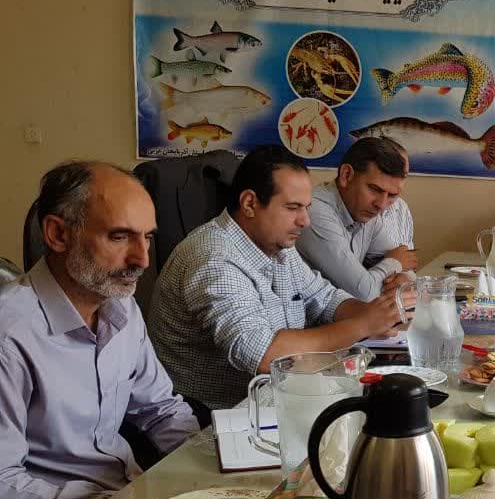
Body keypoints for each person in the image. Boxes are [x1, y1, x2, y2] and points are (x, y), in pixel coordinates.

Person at [0, 161, 198, 499]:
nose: (142, 259)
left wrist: (207, 468)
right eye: (120, 237)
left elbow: (160, 410)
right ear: (58, 234)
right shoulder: (10, 334)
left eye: (147, 237)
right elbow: (4, 487)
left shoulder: (121, 305)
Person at [148, 145, 406, 410]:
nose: (305, 221)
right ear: (250, 203)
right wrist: (363, 325)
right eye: (293, 207)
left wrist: (377, 314)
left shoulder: (276, 244)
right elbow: (264, 355)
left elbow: (324, 297)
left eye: (306, 208)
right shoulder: (213, 258)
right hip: (217, 414)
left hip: (278, 395)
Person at [296, 137, 418, 301]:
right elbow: (364, 294)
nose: (381, 205)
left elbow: (408, 266)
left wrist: (402, 278)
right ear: (346, 175)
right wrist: (394, 264)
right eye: (374, 189)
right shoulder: (313, 211)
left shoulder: (367, 213)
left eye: (392, 195)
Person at [367, 140, 416, 263]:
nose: (382, 204)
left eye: (403, 175)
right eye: (390, 171)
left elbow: (409, 261)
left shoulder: (401, 207)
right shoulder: (359, 208)